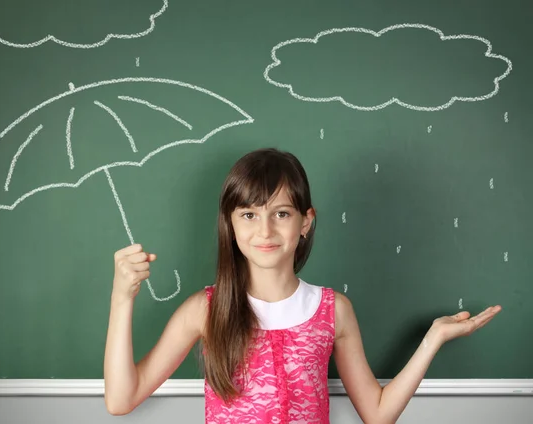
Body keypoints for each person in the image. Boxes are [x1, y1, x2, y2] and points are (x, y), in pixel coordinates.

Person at [103, 148, 502, 423]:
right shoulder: (205, 310)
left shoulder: (333, 310)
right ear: (230, 223)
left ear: (305, 221)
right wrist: (122, 299)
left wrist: (432, 339)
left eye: (281, 213)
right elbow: (121, 400)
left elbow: (378, 414)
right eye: (248, 214)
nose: (265, 230)